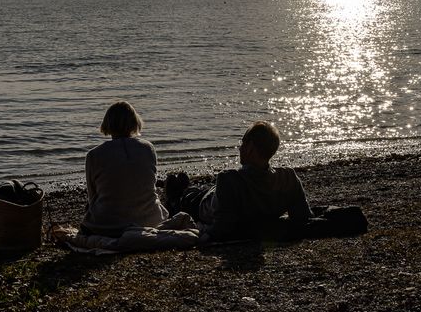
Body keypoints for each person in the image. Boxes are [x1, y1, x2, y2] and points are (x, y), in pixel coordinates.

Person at [166, 121, 313, 243]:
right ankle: (183, 189)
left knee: (190, 197)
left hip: (203, 205)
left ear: (250, 148)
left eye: (243, 143)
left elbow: (222, 226)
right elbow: (303, 216)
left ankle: (176, 197)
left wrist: (204, 236)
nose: (240, 147)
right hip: (222, 195)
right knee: (204, 189)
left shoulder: (229, 178)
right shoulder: (288, 177)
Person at [80, 101, 168, 237]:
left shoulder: (94, 155)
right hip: (150, 220)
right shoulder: (148, 148)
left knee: (90, 211)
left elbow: (92, 197)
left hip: (107, 225)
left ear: (107, 124)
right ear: (134, 122)